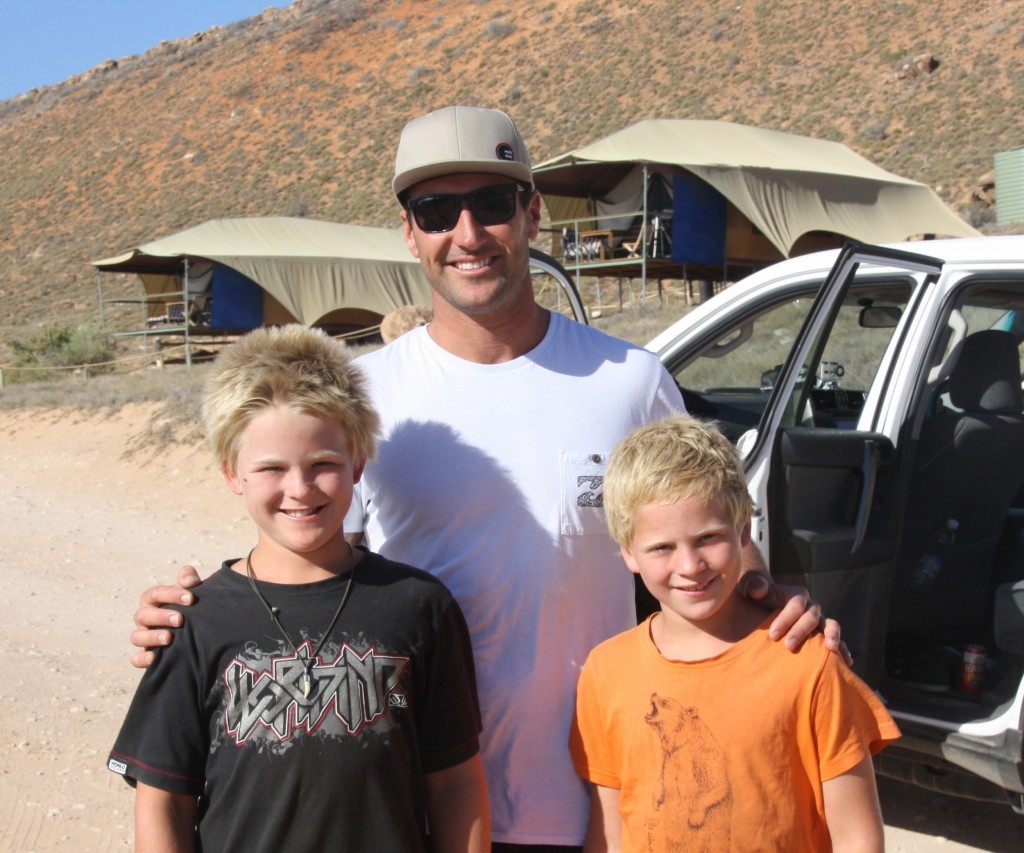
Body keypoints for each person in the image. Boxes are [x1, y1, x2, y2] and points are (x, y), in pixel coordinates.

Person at [129, 106, 845, 851]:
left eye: (492, 204)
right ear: (409, 231)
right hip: (420, 815)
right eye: (437, 210)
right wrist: (189, 617)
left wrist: (768, 598)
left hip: (603, 805)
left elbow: (705, 530)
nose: (467, 234)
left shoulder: (628, 381)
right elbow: (302, 553)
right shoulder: (366, 398)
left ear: (532, 213)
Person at [108, 325, 489, 852]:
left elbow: (454, 783)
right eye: (271, 468)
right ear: (231, 473)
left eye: (323, 465)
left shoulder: (419, 605)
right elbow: (162, 802)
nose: (299, 489)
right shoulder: (195, 619)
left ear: (357, 464)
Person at [570, 416, 899, 851]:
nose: (690, 566)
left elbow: (857, 835)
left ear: (744, 532)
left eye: (707, 538)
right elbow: (609, 830)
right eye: (661, 547)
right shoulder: (606, 671)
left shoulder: (807, 661)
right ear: (628, 552)